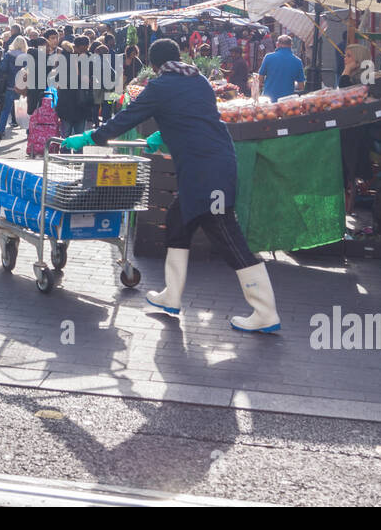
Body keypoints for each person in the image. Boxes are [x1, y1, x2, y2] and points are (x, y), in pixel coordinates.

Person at [62, 39, 279, 333]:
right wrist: (163, 133)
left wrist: (90, 137)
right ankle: (171, 296)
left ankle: (265, 310)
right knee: (177, 223)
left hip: (207, 172)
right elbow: (192, 115)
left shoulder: (160, 86)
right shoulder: (199, 80)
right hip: (213, 164)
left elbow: (127, 118)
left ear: (154, 65)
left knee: (228, 236)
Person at [0, 35, 28, 143]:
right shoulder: (26, 57)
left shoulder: (8, 55)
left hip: (10, 86)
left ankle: (0, 130)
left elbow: (3, 68)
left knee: (6, 110)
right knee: (26, 109)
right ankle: (28, 131)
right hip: (22, 86)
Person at [256, 33, 306, 101]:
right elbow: (301, 86)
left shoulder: (268, 57)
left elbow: (260, 78)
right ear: (291, 45)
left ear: (277, 44)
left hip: (268, 99)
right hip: (287, 101)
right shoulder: (298, 61)